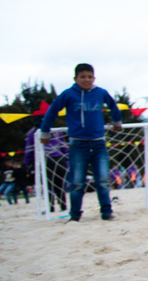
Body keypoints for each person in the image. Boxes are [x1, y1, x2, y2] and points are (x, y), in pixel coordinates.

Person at [38, 63, 123, 221]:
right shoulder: (68, 94)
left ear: (94, 78)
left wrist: (117, 123)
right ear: (75, 78)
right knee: (77, 181)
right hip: (78, 144)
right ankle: (75, 215)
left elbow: (113, 105)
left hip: (99, 143)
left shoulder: (101, 93)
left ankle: (107, 212)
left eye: (89, 77)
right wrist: (45, 131)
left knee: (103, 180)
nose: (86, 80)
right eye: (82, 77)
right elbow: (52, 111)